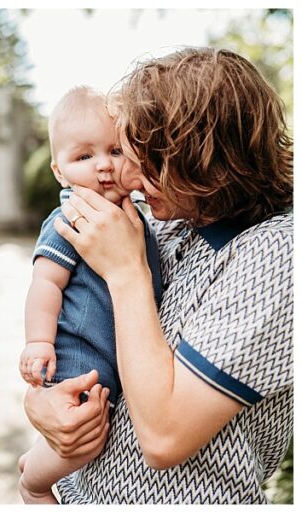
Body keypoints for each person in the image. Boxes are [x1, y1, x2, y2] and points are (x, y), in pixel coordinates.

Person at [24, 47, 293, 503]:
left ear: (203, 163)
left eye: (144, 158)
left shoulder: (279, 254)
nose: (124, 173)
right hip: (77, 490)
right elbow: (75, 316)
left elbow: (164, 438)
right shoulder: (172, 219)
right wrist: (40, 402)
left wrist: (126, 271)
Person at [17, 86, 163, 503]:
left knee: (100, 428)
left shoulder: (138, 213)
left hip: (118, 353)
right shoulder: (71, 217)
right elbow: (45, 283)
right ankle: (35, 481)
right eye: (83, 157)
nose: (103, 166)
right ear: (59, 171)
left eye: (115, 151)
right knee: (86, 436)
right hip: (80, 352)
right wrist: (39, 341)